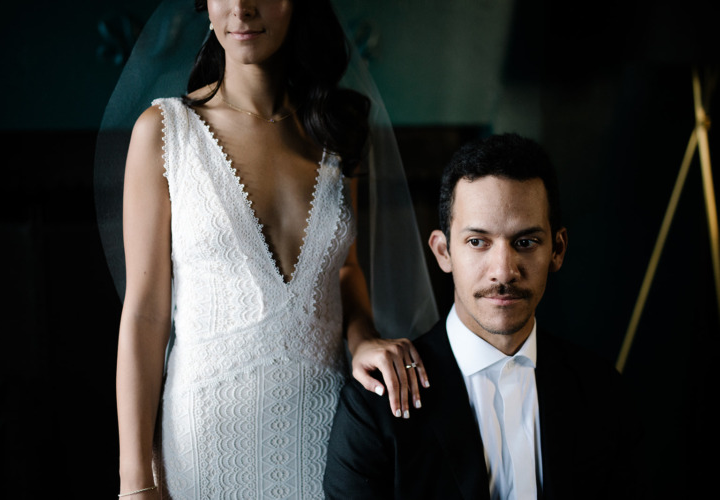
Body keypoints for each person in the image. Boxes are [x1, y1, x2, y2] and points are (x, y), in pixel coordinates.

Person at [113, 0, 436, 498]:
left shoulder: (338, 130)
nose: (242, 8)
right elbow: (144, 313)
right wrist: (135, 481)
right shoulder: (163, 134)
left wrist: (364, 336)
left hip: (327, 433)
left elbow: (344, 269)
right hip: (205, 442)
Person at [323, 133, 644, 499]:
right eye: (478, 242)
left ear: (557, 250)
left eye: (525, 242)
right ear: (443, 252)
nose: (503, 271)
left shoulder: (605, 394)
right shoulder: (374, 407)